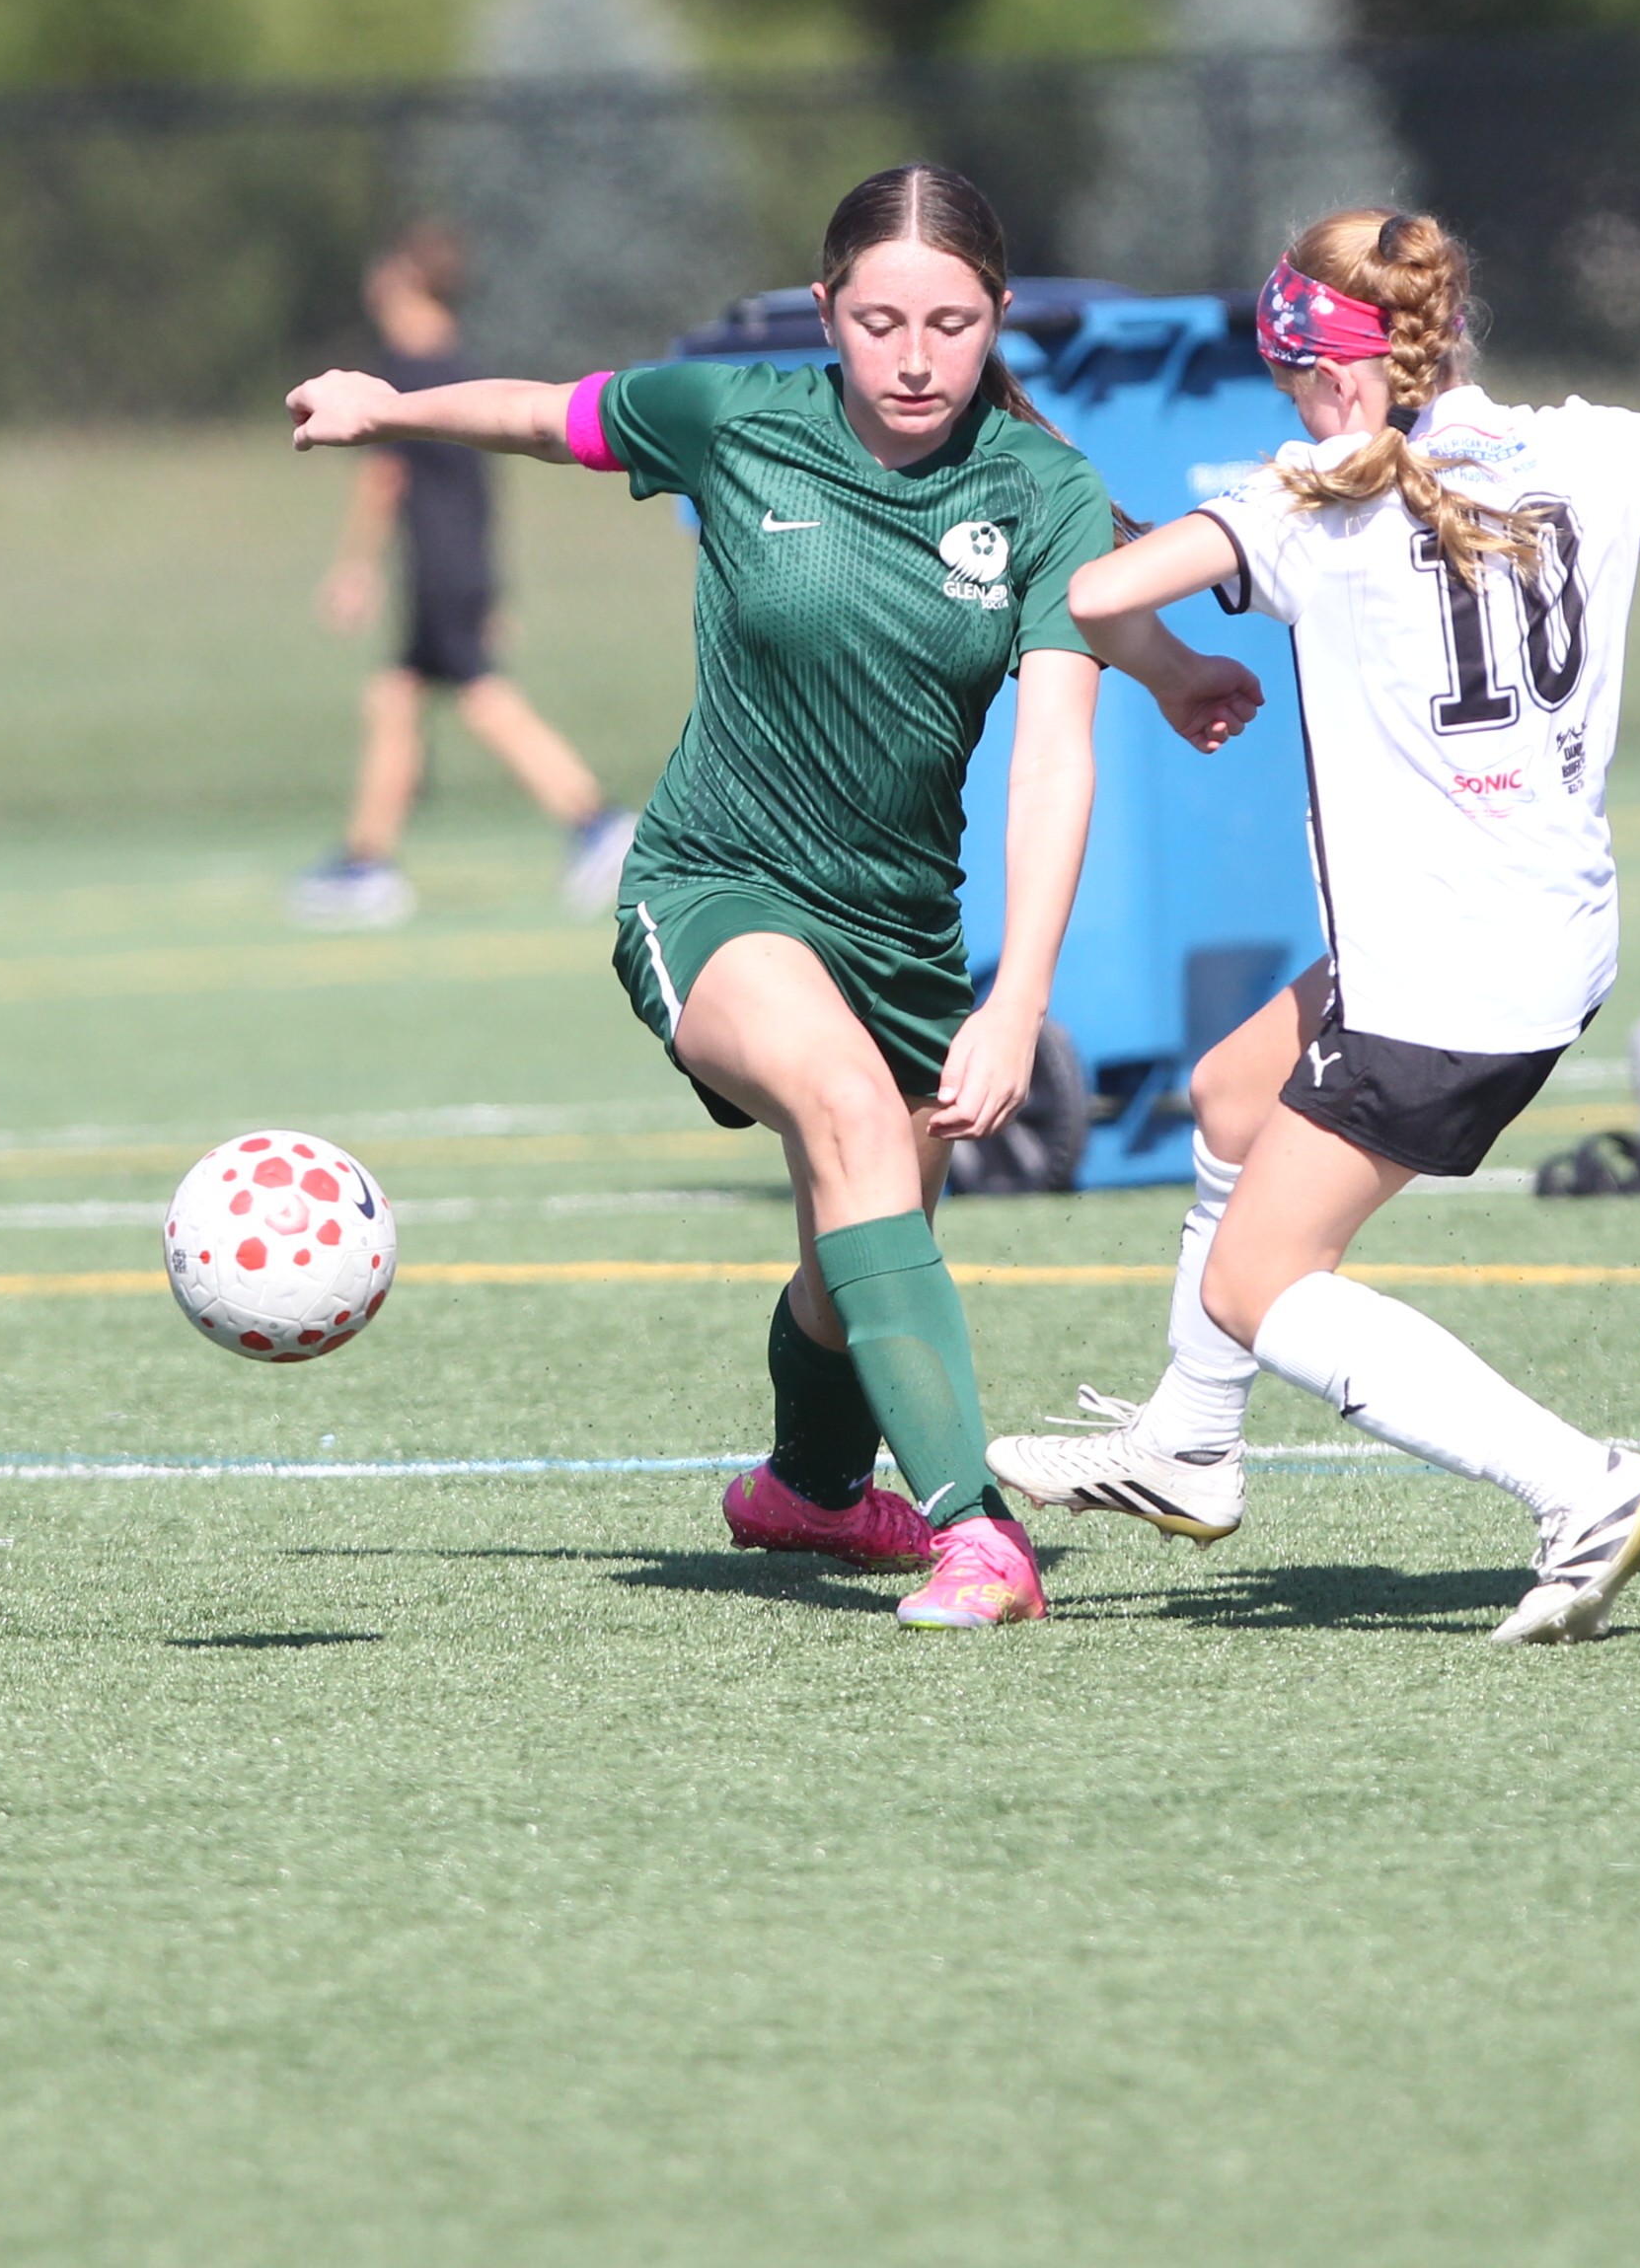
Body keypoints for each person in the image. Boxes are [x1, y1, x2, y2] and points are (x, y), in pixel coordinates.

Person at [285, 164, 1261, 1632]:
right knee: (853, 1119)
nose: (915, 359)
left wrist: (1016, 998)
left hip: (905, 936)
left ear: (999, 317)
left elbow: (1057, 751)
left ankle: (809, 1489)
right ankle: (978, 1537)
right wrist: (388, 407)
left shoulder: (1044, 491)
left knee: (852, 1257)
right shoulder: (737, 419)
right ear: (824, 311)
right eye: (879, 322)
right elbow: (548, 416)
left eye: (952, 324)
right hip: (712, 885)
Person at [983, 208, 1640, 1639]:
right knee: (1234, 1089)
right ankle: (1188, 1446)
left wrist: (1237, 521)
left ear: (1332, 374)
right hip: (1542, 935)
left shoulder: (1318, 506)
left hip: (1442, 978)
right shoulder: (1585, 444)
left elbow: (1094, 593)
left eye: (1289, 388)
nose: (1286, 415)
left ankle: (1584, 1488)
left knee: (1260, 1281)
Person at [290, 222, 638, 926]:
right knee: (395, 699)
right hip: (459, 566)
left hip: (439, 571)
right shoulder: (461, 364)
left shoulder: (403, 368)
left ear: (405, 282)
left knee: (484, 702)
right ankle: (366, 862)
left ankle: (597, 823)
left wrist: (355, 569)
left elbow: (385, 478)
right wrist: (490, 584)